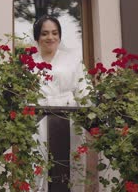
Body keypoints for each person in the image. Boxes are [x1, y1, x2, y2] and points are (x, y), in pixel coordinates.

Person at [31, 16, 90, 192]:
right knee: (38, 163)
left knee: (71, 163)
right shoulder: (29, 63)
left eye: (55, 33)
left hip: (69, 116)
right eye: (45, 33)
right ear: (37, 37)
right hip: (38, 119)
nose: (50, 37)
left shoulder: (73, 61)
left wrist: (91, 116)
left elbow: (84, 90)